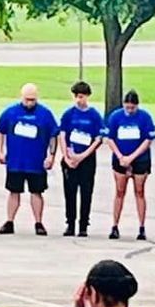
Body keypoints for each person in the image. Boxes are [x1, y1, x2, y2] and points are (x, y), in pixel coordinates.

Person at [0, 84, 58, 237]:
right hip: (15, 162)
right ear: (21, 97)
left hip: (36, 163)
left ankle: (38, 222)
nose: (29, 103)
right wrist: (0, 151)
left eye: (33, 100)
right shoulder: (10, 112)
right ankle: (9, 221)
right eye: (27, 100)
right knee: (14, 191)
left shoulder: (45, 114)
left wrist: (51, 155)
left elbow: (53, 135)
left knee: (36, 192)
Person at [56, 80, 104, 239]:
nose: (78, 100)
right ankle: (70, 223)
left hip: (86, 159)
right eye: (76, 96)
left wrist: (83, 156)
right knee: (69, 192)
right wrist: (66, 156)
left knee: (86, 192)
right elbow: (62, 135)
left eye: (81, 96)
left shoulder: (94, 116)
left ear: (87, 97)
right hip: (70, 157)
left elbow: (98, 139)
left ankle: (83, 224)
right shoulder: (68, 114)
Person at [105, 91, 155, 241]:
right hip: (121, 158)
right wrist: (121, 157)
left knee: (139, 192)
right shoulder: (116, 117)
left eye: (132, 108)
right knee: (119, 192)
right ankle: (115, 225)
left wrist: (132, 157)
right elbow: (110, 138)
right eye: (127, 107)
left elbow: (147, 140)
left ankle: (141, 226)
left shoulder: (144, 117)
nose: (129, 110)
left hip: (140, 159)